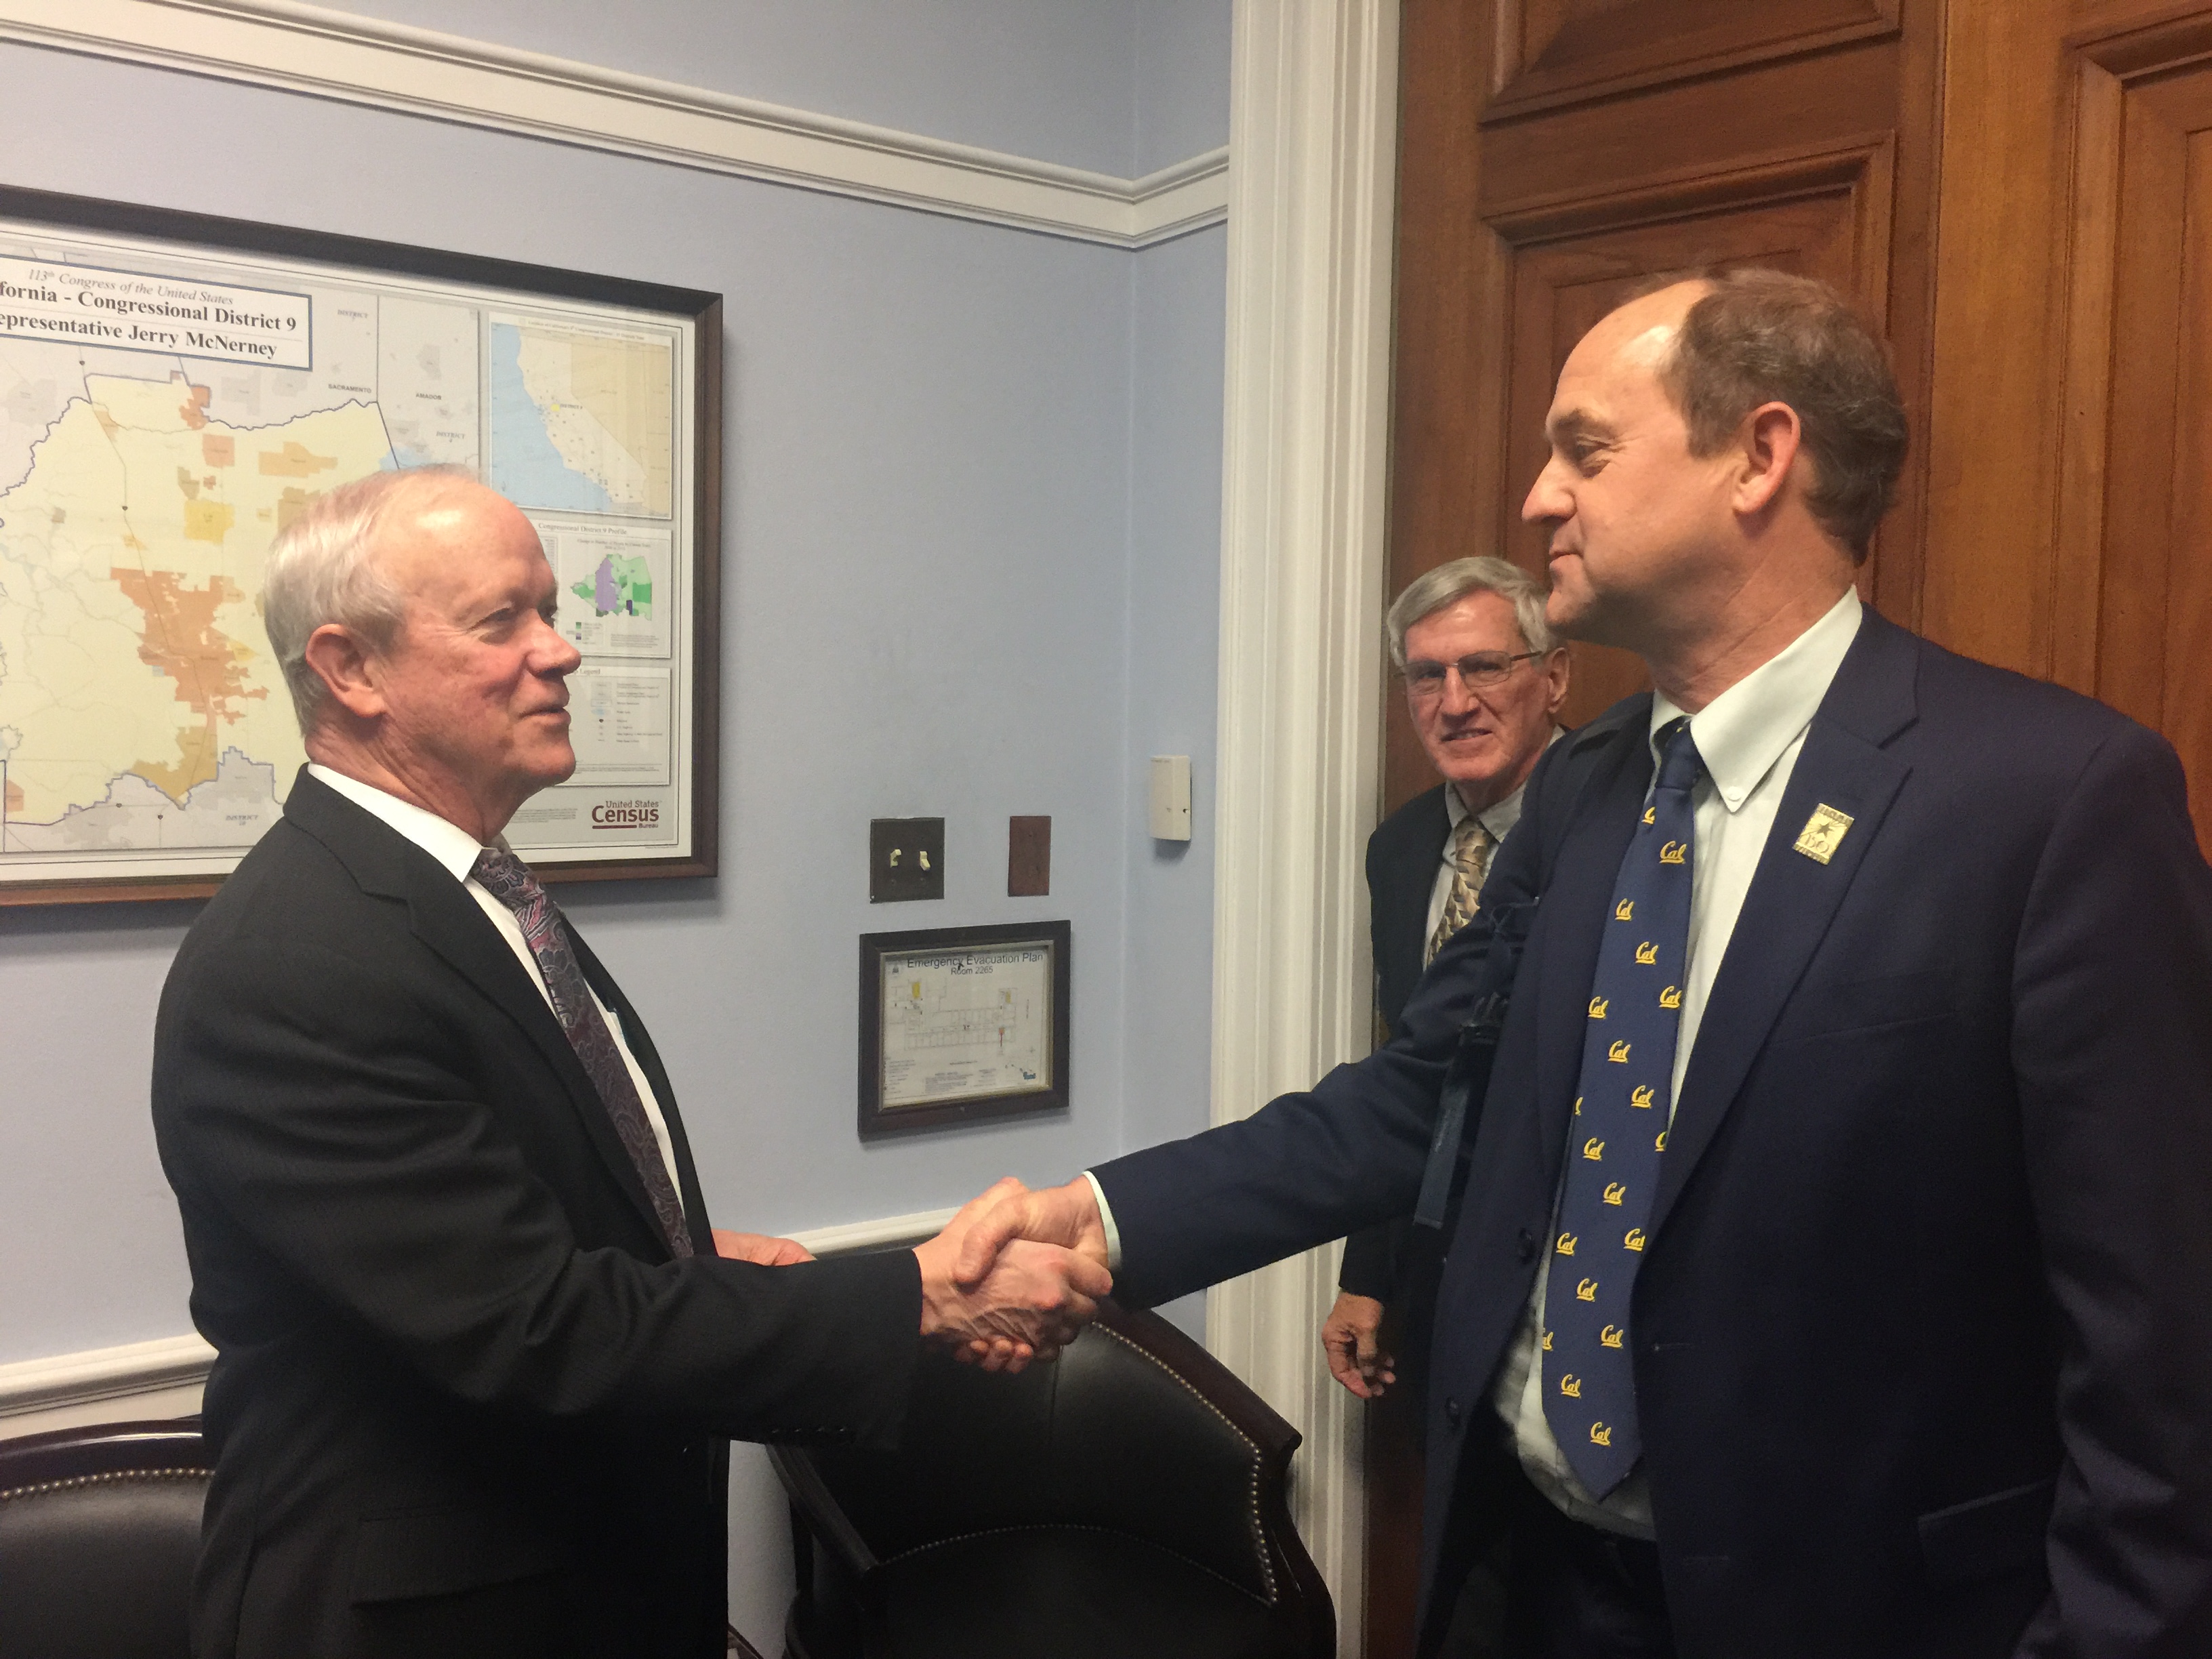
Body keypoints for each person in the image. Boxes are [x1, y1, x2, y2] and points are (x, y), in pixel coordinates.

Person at [954, 270, 2212, 1655]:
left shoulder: (2051, 798)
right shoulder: (1586, 789)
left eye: (1585, 450)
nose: (1539, 497)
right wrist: (1101, 1217)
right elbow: (1417, 1098)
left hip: (1855, 1609)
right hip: (1530, 1582)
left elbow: (2155, 1329)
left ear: (1761, 455)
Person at [150, 468, 1109, 1659]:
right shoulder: (294, 962)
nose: (560, 651)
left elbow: (492, 1230)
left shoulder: (469, 892)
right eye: (503, 619)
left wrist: (689, 1262)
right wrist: (927, 1291)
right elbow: (537, 1324)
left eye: (551, 610)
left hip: (581, 1579)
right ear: (350, 669)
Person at [1325, 556, 1567, 1403]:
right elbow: (1413, 1079)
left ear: (1554, 677)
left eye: (1485, 667)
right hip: (1435, 1277)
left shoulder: (1628, 827)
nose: (1455, 702)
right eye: (1427, 675)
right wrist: (1370, 1271)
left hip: (1580, 1274)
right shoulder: (1399, 849)